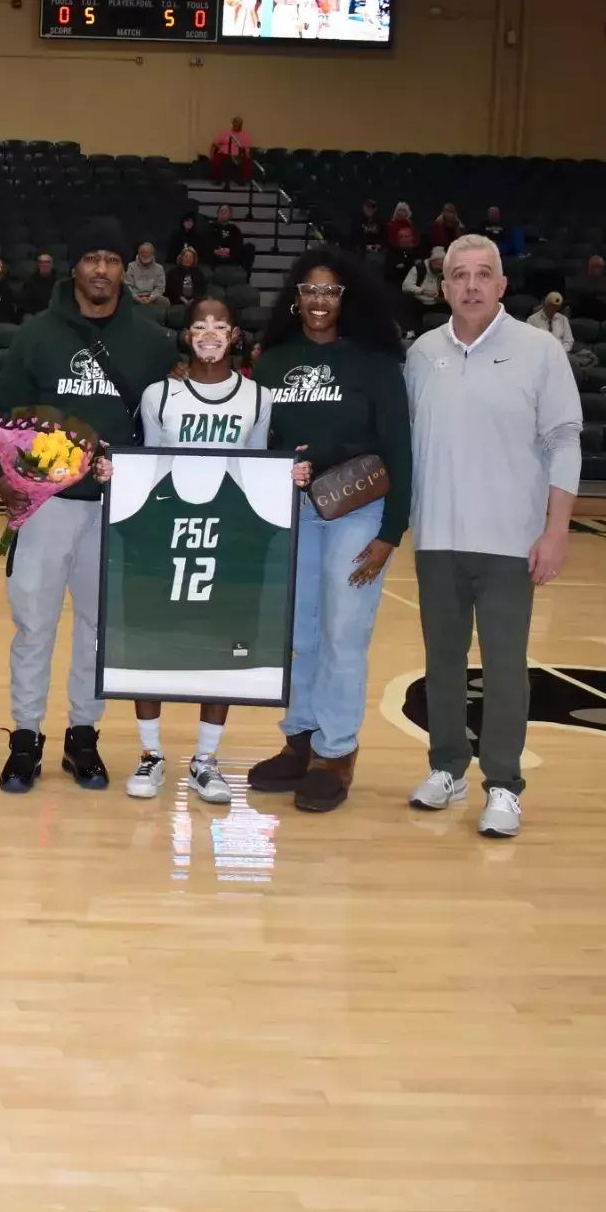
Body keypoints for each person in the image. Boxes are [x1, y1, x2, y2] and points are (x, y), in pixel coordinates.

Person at [0, 218, 179, 794]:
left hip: (116, 509)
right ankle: (26, 736)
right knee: (34, 624)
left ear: (126, 268)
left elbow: (162, 424)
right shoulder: (37, 334)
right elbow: (4, 414)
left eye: (112, 260)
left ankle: (83, 735)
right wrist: (6, 482)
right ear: (75, 266)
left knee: (98, 628)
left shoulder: (152, 341)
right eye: (92, 258)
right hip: (46, 505)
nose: (101, 269)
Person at [406, 234, 581, 839]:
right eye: (460, 275)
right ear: (444, 286)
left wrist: (556, 530)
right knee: (442, 662)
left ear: (502, 285)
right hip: (437, 539)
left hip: (511, 542)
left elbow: (564, 441)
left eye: (483, 274)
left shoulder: (539, 351)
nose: (472, 285)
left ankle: (504, 783)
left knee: (505, 667)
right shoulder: (422, 353)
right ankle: (447, 767)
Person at [89, 295, 287, 805]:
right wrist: (117, 476)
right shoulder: (160, 395)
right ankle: (151, 754)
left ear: (235, 335)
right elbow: (150, 461)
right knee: (150, 640)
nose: (210, 333)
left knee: (220, 644)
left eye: (221, 324)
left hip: (228, 533)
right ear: (186, 335)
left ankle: (206, 759)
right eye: (200, 325)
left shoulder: (258, 397)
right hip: (166, 528)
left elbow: (257, 467)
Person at [247, 247, 410, 814]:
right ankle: (301, 738)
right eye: (310, 290)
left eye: (330, 291)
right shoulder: (272, 363)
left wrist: (392, 530)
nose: (319, 300)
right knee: (300, 631)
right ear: (296, 298)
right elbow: (258, 442)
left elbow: (399, 449)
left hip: (358, 511)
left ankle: (336, 751)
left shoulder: (374, 364)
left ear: (346, 299)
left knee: (343, 631)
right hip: (294, 509)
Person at [402, 247, 448, 331]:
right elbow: (406, 286)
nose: (441, 268)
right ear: (432, 262)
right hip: (420, 302)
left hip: (437, 303)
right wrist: (422, 291)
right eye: (439, 265)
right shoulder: (419, 269)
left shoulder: (445, 271)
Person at [570, 254, 606, 320]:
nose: (601, 269)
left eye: (602, 267)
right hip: (587, 313)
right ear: (590, 267)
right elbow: (578, 297)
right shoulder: (580, 280)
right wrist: (603, 293)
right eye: (598, 266)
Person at [203, 204, 251, 271]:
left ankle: (245, 273)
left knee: (250, 247)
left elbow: (239, 245)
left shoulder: (234, 229)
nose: (223, 212)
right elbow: (204, 243)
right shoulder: (209, 227)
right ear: (217, 213)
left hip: (231, 257)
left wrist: (229, 251)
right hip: (214, 257)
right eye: (221, 211)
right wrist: (215, 251)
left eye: (226, 211)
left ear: (230, 215)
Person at [124, 242, 168, 310]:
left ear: (152, 253)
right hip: (135, 297)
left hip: (152, 297)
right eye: (143, 252)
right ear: (138, 253)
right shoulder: (131, 266)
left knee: (165, 302)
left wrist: (151, 298)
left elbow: (160, 287)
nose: (145, 254)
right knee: (124, 301)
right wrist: (137, 298)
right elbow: (128, 286)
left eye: (148, 252)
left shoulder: (159, 268)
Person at [210, 115, 253, 183]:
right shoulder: (225, 133)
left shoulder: (245, 135)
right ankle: (218, 179)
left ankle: (242, 180)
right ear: (233, 123)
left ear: (241, 125)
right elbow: (214, 144)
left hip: (238, 155)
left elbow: (246, 149)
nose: (237, 124)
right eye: (235, 122)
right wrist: (216, 150)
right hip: (225, 154)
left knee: (247, 161)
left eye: (239, 123)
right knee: (217, 159)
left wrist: (247, 157)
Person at [17, 253, 60, 318]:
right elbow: (24, 303)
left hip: (55, 314)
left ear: (52, 265)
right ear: (38, 265)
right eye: (41, 262)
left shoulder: (59, 282)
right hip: (35, 315)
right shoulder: (30, 282)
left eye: (47, 262)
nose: (44, 264)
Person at [384, 202, 419, 277]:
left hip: (410, 253)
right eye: (400, 210)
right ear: (396, 212)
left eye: (404, 210)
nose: (402, 212)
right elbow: (390, 242)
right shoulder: (390, 226)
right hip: (395, 253)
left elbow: (416, 241)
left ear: (408, 213)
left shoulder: (412, 226)